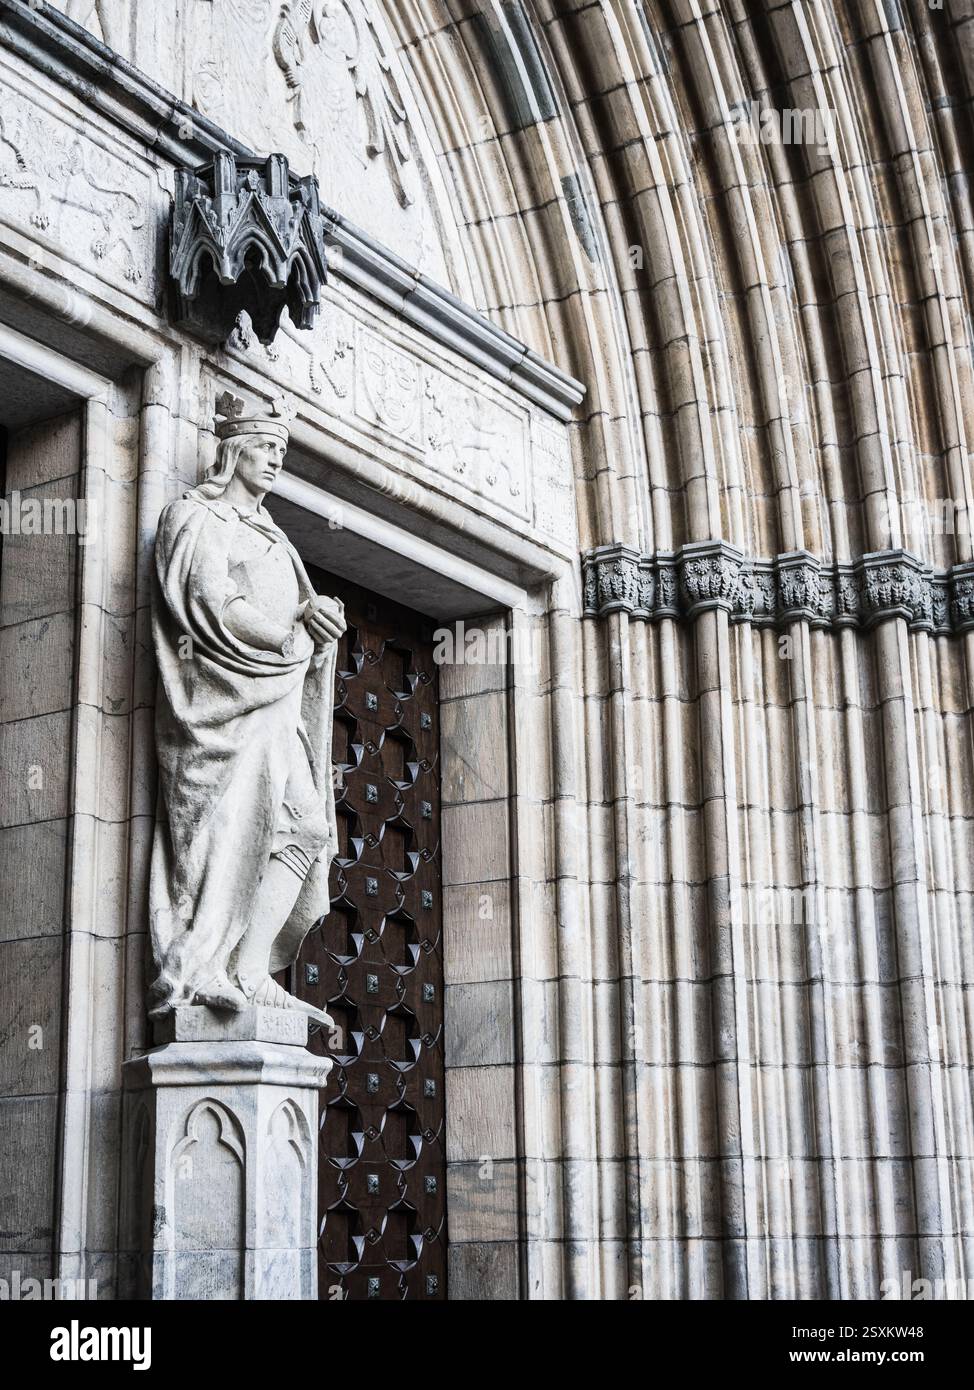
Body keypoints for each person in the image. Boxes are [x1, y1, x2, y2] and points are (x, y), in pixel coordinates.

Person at [148, 390, 345, 1026]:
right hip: (226, 706)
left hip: (276, 702)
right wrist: (290, 624)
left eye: (281, 451)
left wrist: (318, 625)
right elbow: (209, 607)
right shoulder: (197, 519)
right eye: (265, 448)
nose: (275, 461)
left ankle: (251, 967)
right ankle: (201, 962)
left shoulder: (276, 537)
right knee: (231, 828)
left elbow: (289, 623)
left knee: (306, 827)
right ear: (233, 451)